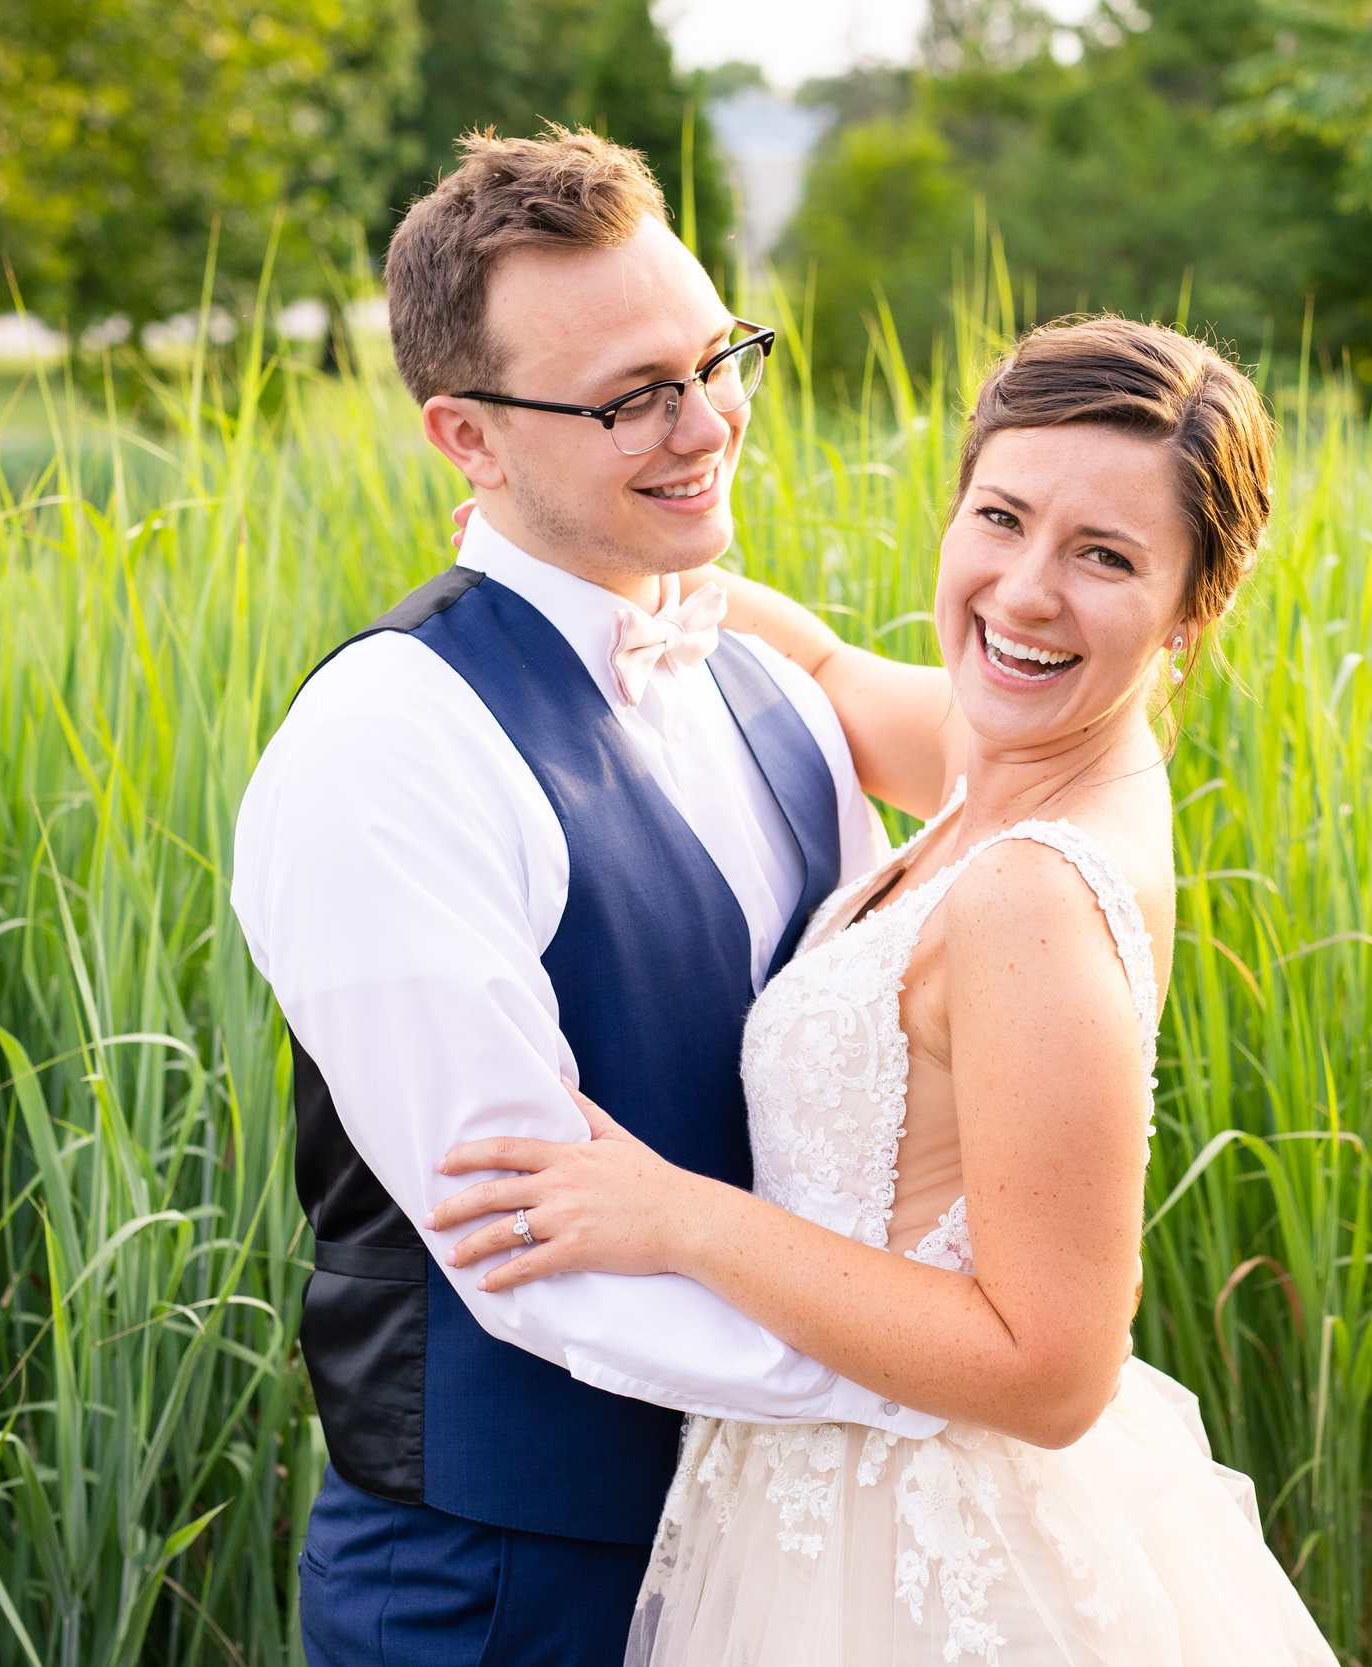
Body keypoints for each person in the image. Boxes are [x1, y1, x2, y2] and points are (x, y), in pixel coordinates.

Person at [424, 317, 1334, 1661]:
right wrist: (578, 558)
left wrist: (680, 1219)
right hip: (819, 1494)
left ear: (1193, 609)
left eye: (1105, 557)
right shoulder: (1022, 748)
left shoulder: (1034, 892)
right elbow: (839, 675)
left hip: (920, 1551)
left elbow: (1050, 1367)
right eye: (1002, 517)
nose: (1025, 593)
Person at [232, 127, 945, 1665]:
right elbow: (533, 1252)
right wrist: (938, 1372)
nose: (709, 423)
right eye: (633, 397)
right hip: (505, 1583)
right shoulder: (390, 743)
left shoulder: (760, 675)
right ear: (468, 439)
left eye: (718, 359)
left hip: (792, 1547)